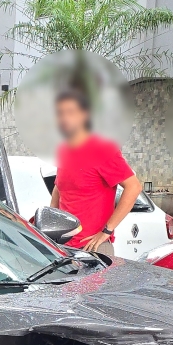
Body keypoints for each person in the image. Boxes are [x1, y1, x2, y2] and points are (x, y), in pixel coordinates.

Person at [50, 89, 142, 255]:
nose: (64, 118)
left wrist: (107, 231)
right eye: (60, 113)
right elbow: (59, 188)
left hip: (93, 249)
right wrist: (51, 226)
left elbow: (134, 187)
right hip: (63, 249)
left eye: (70, 112)